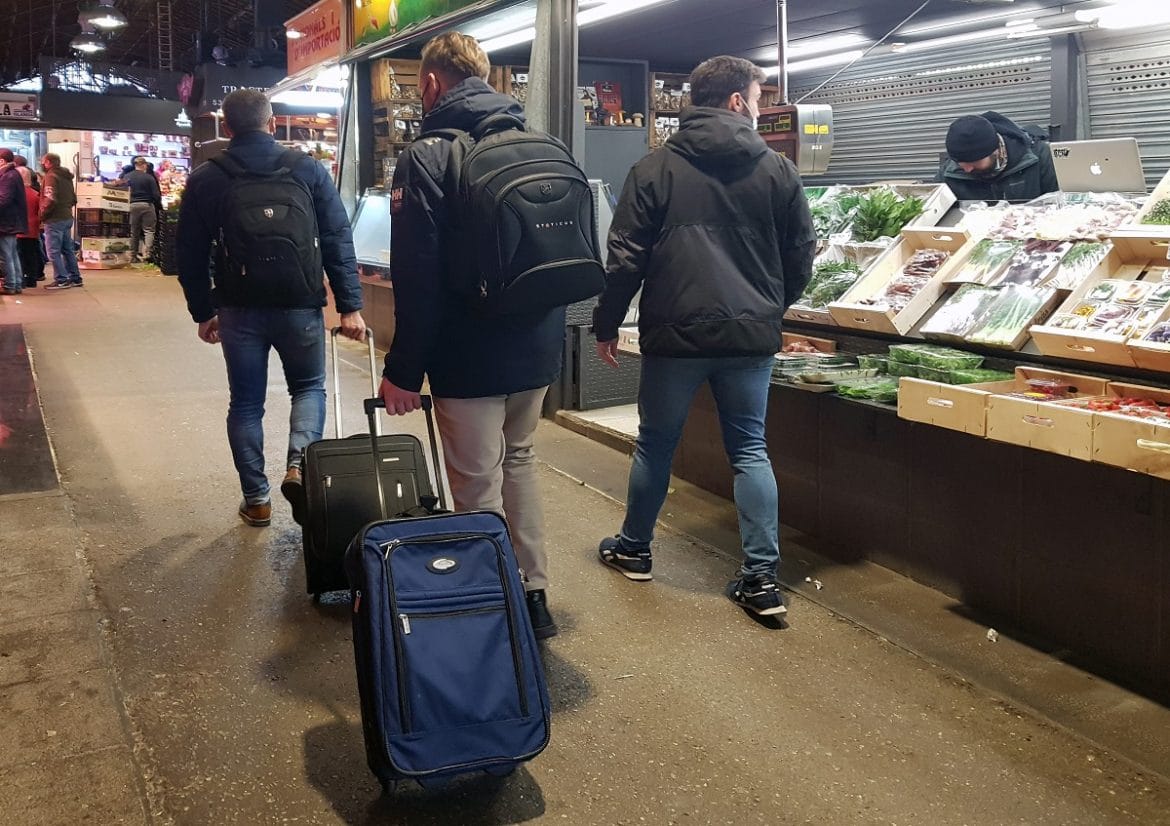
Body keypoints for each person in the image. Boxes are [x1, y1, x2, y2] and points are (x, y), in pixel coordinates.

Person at [591, 55, 815, 618]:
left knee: (656, 444)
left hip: (674, 334)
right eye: (760, 97)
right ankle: (761, 580)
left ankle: (636, 551)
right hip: (750, 339)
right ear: (738, 101)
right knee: (749, 450)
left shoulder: (653, 169)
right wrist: (768, 309)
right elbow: (801, 256)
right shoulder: (778, 170)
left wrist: (606, 322)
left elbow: (624, 261)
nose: (761, 107)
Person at [376, 32, 564, 640]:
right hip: (536, 346)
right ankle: (534, 594)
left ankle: (492, 605)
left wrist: (404, 369)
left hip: (469, 353)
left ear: (431, 84)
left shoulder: (429, 155)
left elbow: (418, 275)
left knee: (476, 482)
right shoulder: (543, 143)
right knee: (522, 461)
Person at [176, 89, 366, 527]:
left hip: (239, 308)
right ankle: (299, 466)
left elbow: (189, 254)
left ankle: (257, 499)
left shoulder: (207, 177)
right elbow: (338, 238)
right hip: (300, 304)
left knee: (245, 404)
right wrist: (350, 306)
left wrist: (203, 311)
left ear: (226, 127)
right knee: (308, 388)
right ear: (273, 121)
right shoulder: (307, 169)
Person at [940, 111, 1059, 202]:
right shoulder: (949, 171)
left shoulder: (1039, 157)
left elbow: (1061, 205)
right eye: (960, 163)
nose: (967, 169)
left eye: (974, 162)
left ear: (995, 150)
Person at [39, 153, 84, 291]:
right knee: (68, 250)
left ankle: (61, 279)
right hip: (66, 217)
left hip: (54, 218)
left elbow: (50, 198)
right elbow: (73, 199)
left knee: (53, 251)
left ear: (48, 162)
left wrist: (42, 214)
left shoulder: (51, 177)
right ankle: (75, 278)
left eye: (42, 162)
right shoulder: (67, 177)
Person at [122, 156, 162, 263]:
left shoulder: (127, 177)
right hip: (147, 205)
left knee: (134, 232)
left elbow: (123, 192)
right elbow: (156, 195)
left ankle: (133, 256)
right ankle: (147, 254)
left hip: (132, 205)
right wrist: (156, 203)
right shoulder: (149, 177)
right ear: (144, 165)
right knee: (149, 230)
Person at [0, 149, 28, 296]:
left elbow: (3, 200)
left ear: (2, 161)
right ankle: (16, 283)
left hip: (6, 222)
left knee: (6, 255)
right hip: (11, 221)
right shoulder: (13, 174)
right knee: (11, 254)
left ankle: (10, 284)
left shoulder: (8, 176)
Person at [15, 165, 43, 287]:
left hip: (18, 229)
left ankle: (20, 278)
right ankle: (32, 278)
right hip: (33, 228)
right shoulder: (36, 194)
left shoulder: (16, 194)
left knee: (19, 255)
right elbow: (40, 212)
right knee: (31, 254)